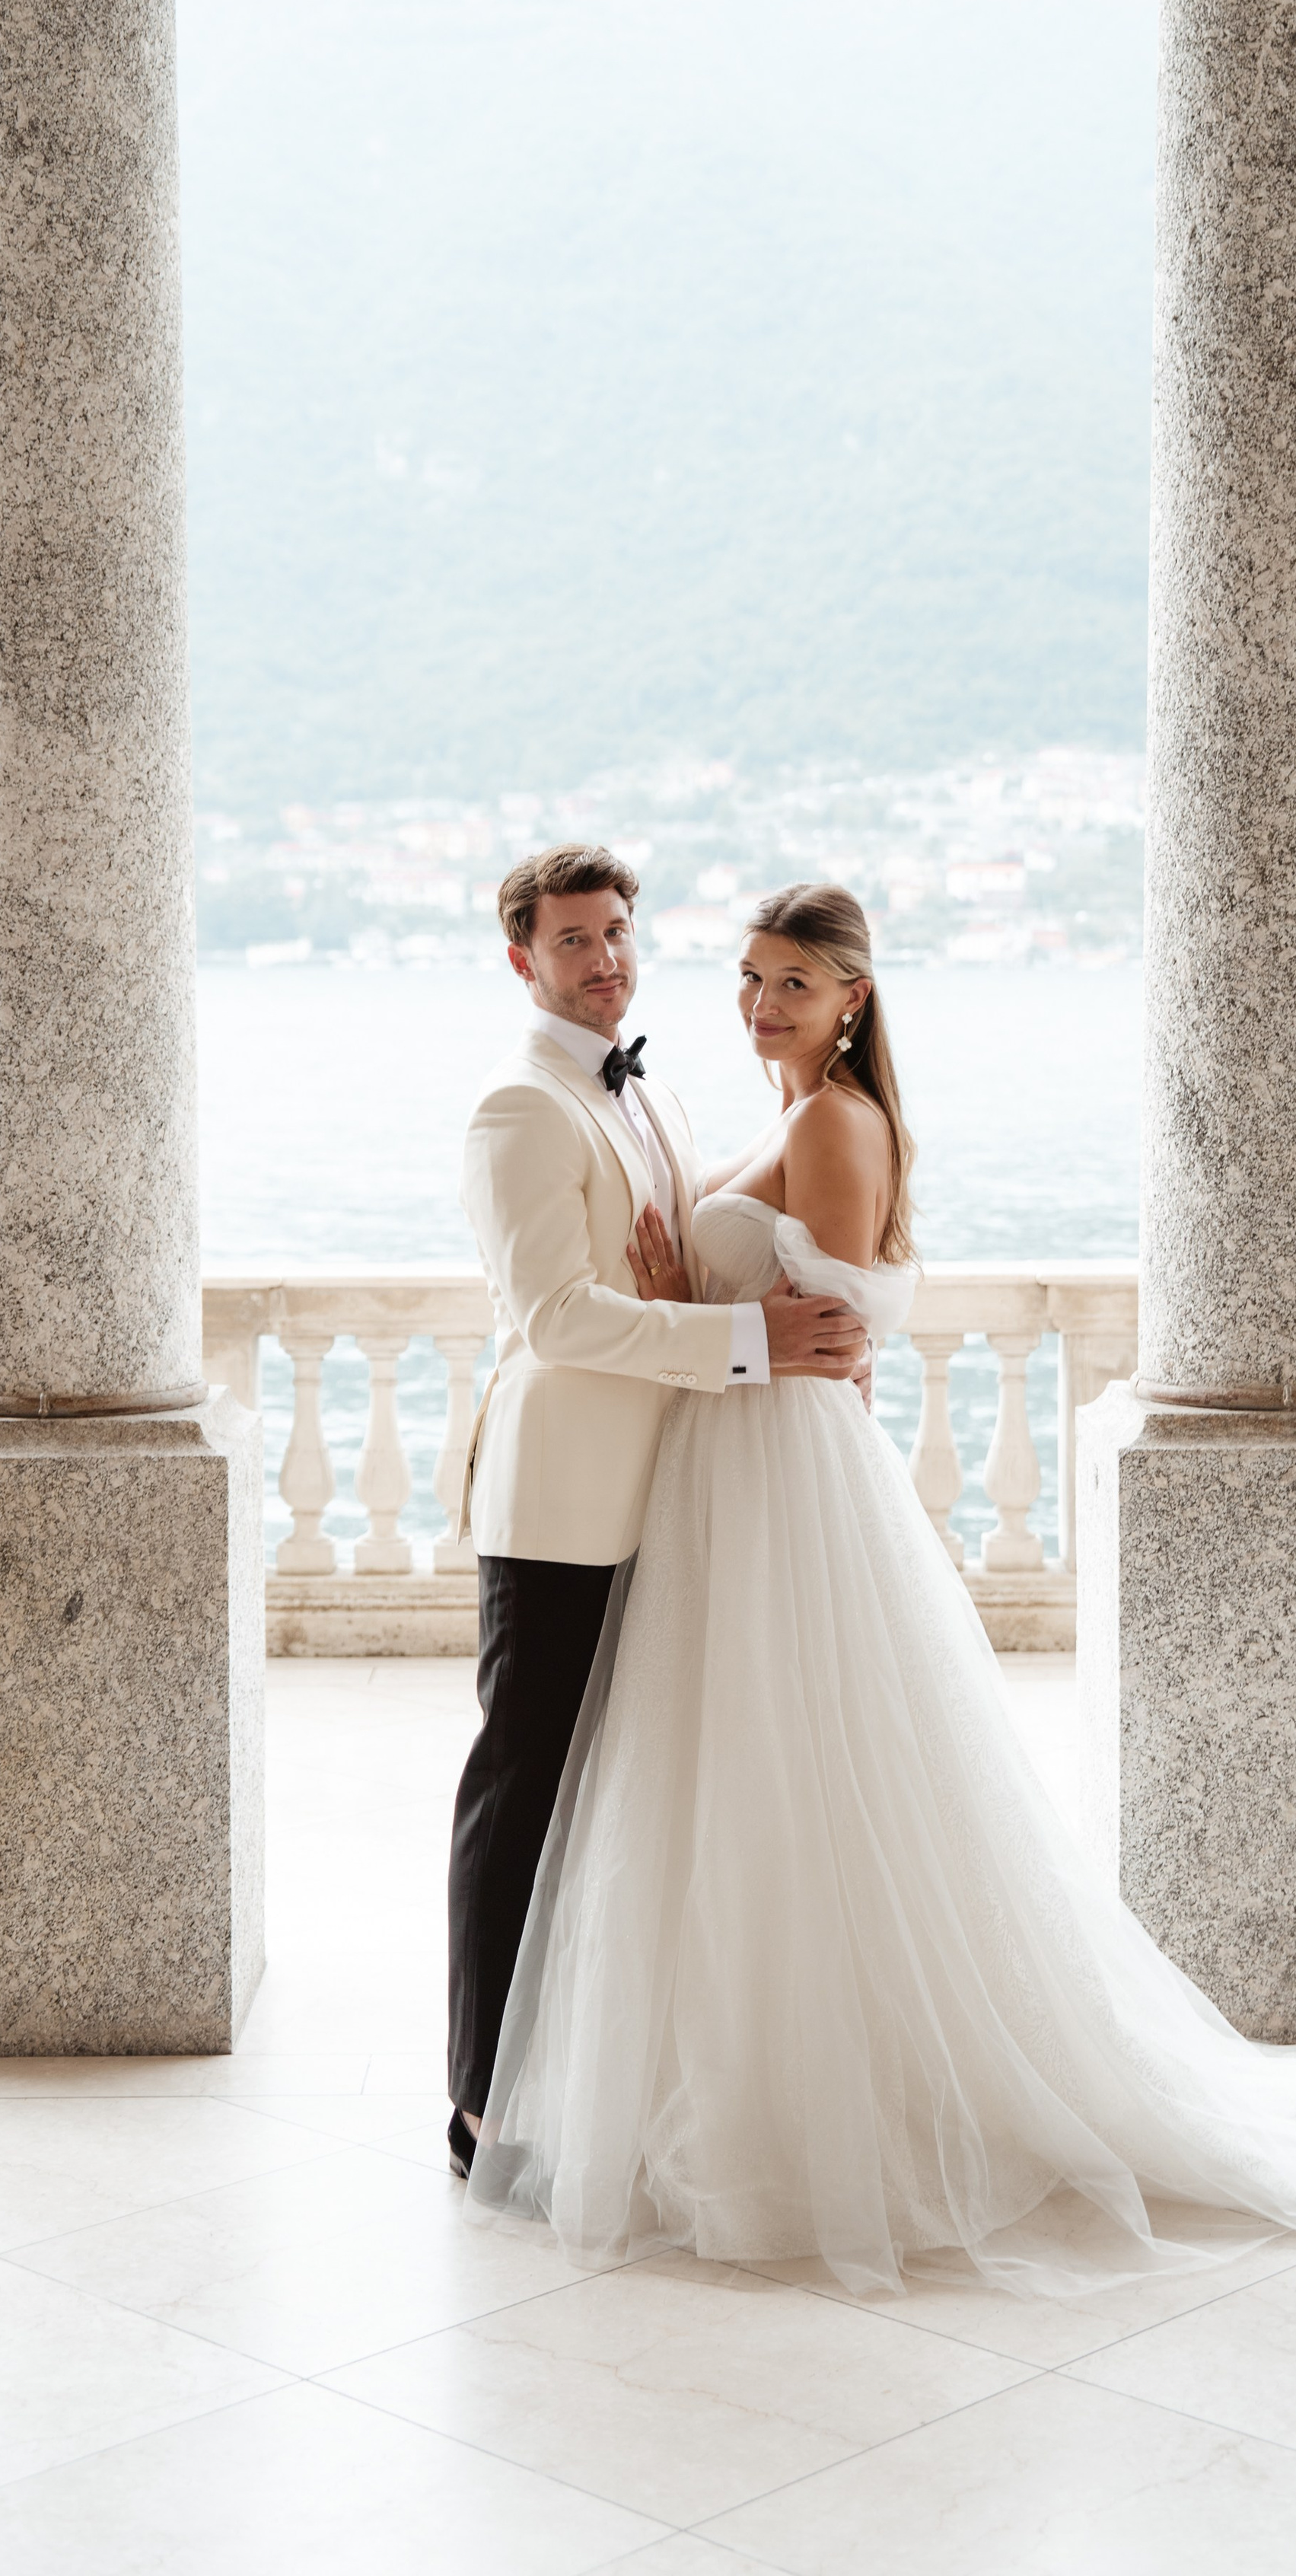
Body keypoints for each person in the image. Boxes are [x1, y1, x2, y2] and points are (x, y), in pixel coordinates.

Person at [466, 881, 1296, 2295]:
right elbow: (764, 1297)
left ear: (853, 999)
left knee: (787, 1769)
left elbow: (832, 1317)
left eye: (793, 983)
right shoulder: (742, 1108)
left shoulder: (828, 1121)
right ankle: (713, 2072)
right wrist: (723, 1306)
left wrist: (762, 1323)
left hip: (774, 1464)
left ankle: (800, 2098)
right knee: (742, 1773)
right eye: (750, 978)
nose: (760, 1003)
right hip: (726, 1460)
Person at [446, 846, 868, 2180]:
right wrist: (752, 1340)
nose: (604, 960)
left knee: (618, 1800)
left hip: (677, 1496)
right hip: (564, 1502)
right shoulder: (519, 1108)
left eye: (618, 933)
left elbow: (683, 1268)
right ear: (523, 960)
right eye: (573, 941)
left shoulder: (657, 1095)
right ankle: (479, 2105)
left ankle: (591, 2078)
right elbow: (558, 1319)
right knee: (523, 1789)